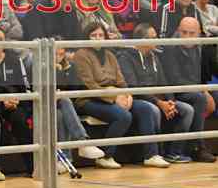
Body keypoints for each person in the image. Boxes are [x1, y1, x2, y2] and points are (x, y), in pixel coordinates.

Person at [73, 22, 167, 169]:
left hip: (116, 95)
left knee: (145, 108)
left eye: (101, 35)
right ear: (87, 37)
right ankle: (105, 156)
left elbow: (121, 80)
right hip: (89, 99)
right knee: (123, 116)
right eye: (93, 35)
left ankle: (151, 155)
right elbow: (89, 84)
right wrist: (114, 97)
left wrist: (127, 94)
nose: (97, 38)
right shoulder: (81, 55)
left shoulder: (110, 55)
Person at [117, 24, 195, 164]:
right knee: (153, 110)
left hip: (158, 99)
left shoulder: (154, 57)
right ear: (142, 40)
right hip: (137, 99)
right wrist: (159, 103)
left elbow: (164, 82)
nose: (157, 39)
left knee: (187, 110)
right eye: (153, 37)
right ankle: (155, 153)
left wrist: (170, 102)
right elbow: (135, 88)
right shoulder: (125, 57)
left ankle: (173, 153)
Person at [161, 17, 216, 163]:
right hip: (174, 91)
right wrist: (202, 91)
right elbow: (175, 80)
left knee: (211, 95)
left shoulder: (201, 47)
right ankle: (197, 147)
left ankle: (197, 146)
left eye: (192, 33)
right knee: (199, 98)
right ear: (178, 31)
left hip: (193, 88)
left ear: (199, 33)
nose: (187, 37)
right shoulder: (170, 48)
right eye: (184, 32)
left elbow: (204, 75)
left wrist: (204, 90)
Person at [0, 28, 33, 176]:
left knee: (20, 119)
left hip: (13, 103)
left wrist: (15, 100)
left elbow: (23, 87)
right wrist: (1, 103)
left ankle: (33, 166)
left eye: (1, 39)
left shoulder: (14, 60)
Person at [54, 42, 105, 171]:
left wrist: (64, 72)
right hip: (45, 105)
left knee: (60, 114)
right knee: (63, 102)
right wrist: (56, 71)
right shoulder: (40, 67)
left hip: (65, 106)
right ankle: (82, 142)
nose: (58, 57)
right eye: (55, 54)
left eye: (61, 54)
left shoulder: (71, 67)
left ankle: (64, 160)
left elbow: (76, 89)